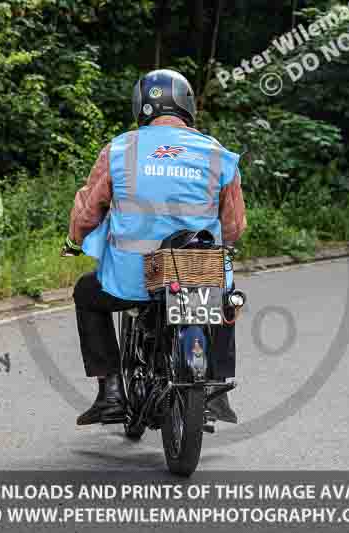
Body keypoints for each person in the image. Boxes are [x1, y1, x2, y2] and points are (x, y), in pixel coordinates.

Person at [62, 69, 247, 426]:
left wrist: (74, 241)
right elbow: (234, 227)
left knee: (86, 292)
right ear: (187, 105)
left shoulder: (120, 149)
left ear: (141, 107)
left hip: (131, 280)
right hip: (194, 274)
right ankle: (218, 389)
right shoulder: (217, 154)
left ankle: (111, 391)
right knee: (225, 294)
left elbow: (88, 211)